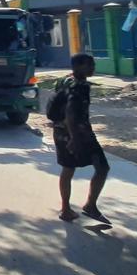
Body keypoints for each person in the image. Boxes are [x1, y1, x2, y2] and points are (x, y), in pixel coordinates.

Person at [54, 53, 111, 223]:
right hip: (79, 134)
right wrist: (75, 138)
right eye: (89, 65)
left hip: (59, 131)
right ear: (78, 67)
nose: (93, 68)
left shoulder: (63, 80)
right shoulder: (80, 86)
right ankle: (90, 205)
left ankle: (65, 209)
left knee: (68, 168)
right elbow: (71, 112)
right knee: (102, 168)